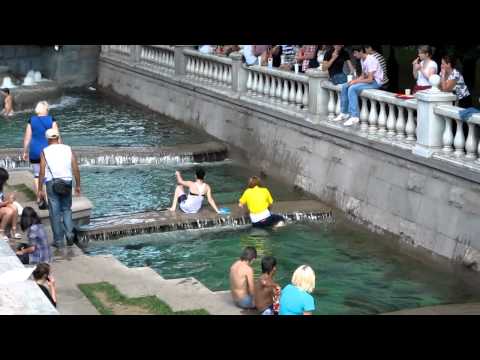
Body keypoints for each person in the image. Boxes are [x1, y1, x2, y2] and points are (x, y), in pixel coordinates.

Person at [37, 128, 81, 254]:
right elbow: (75, 168)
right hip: (67, 182)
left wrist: (40, 189)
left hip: (52, 183)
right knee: (67, 209)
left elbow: (41, 172)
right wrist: (78, 185)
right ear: (58, 137)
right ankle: (70, 235)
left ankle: (58, 241)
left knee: (54, 212)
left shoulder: (45, 151)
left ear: (48, 139)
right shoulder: (68, 148)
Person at [334, 45, 384, 127]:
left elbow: (370, 79)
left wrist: (356, 82)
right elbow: (363, 75)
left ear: (361, 51)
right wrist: (354, 80)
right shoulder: (362, 59)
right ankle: (344, 112)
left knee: (352, 88)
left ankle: (354, 116)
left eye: (355, 53)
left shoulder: (370, 60)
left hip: (376, 82)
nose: (354, 55)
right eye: (353, 53)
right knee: (345, 86)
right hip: (369, 80)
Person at [22, 101, 60, 204]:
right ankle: (48, 198)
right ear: (46, 109)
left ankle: (39, 197)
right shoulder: (52, 120)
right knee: (47, 174)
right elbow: (57, 136)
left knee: (37, 175)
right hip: (48, 151)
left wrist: (25, 151)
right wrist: (60, 149)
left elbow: (27, 137)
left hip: (34, 151)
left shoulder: (31, 120)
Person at [0, 168, 21, 241]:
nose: (5, 182)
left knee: (14, 208)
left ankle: (13, 230)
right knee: (9, 211)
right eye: (4, 180)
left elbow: (1, 200)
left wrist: (10, 198)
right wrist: (8, 201)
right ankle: (1, 232)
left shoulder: (0, 187)